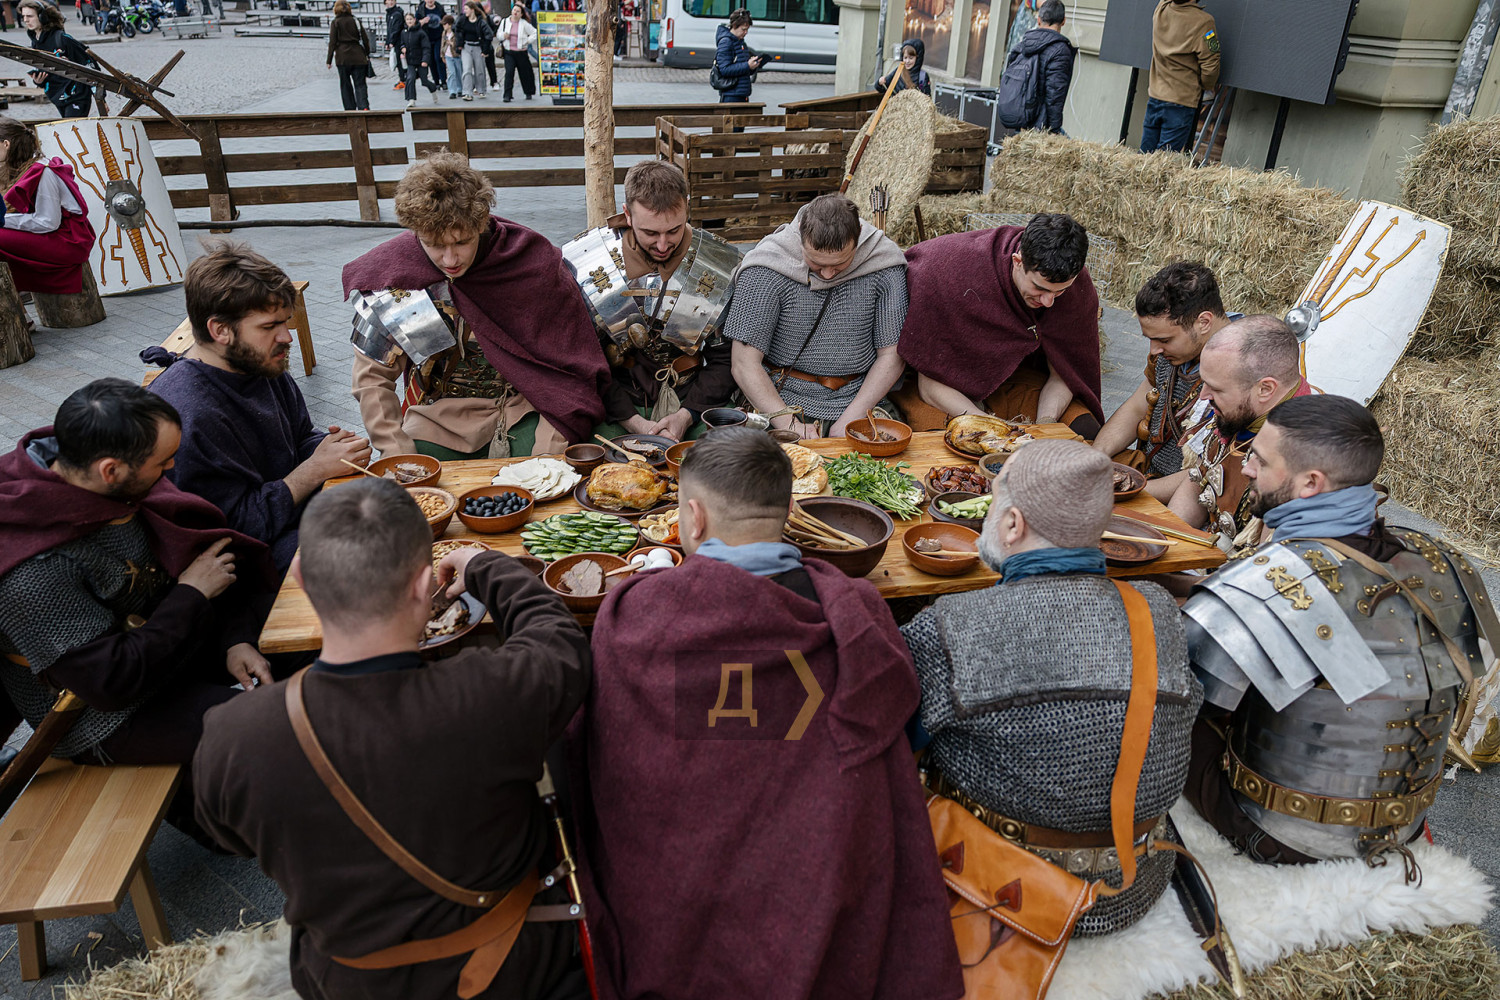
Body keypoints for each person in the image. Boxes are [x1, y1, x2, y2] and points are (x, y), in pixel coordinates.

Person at [573, 427, 965, 1000]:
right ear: (788, 511)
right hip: (822, 886)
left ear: (693, 518)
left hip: (682, 906)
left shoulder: (640, 615)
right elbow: (898, 731)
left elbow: (603, 744)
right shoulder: (857, 611)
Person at [193, 479, 591, 1000]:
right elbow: (559, 640)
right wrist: (484, 565)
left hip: (346, 983)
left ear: (303, 580)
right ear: (423, 585)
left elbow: (230, 837)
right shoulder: (492, 693)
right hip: (511, 973)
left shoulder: (230, 736)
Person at [1181, 395, 1496, 867]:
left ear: (1311, 482)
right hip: (1404, 824)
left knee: (1165, 714)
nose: (1246, 468)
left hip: (1283, 833)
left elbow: (1183, 705)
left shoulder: (1258, 582)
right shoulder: (1443, 561)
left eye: (1260, 460)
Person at [904, 439, 1200, 935]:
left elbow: (896, 746)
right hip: (1130, 876)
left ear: (1012, 524)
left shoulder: (952, 623)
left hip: (997, 879)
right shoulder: (1158, 610)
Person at [0, 379, 273, 778]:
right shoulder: (33, 570)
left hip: (173, 645)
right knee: (272, 727)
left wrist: (235, 639)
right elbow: (108, 684)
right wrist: (191, 595)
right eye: (162, 463)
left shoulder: (112, 484)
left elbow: (202, 562)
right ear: (110, 470)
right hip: (105, 715)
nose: (171, 470)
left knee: (316, 625)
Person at [346, 152, 609, 460]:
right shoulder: (394, 276)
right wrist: (398, 452)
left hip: (527, 409)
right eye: (434, 245)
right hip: (441, 419)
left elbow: (573, 368)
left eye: (462, 242)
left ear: (482, 222)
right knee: (419, 476)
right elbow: (372, 379)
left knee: (551, 471)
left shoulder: (532, 262)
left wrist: (548, 450)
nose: (449, 259)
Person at [145, 244, 371, 578]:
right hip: (245, 563)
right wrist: (313, 470)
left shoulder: (258, 364)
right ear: (220, 330)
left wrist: (332, 449)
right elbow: (234, 531)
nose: (287, 337)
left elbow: (298, 438)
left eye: (286, 322)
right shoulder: (189, 415)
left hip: (289, 522)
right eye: (269, 327)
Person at [563, 160, 740, 443]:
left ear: (686, 208)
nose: (662, 245)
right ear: (627, 214)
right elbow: (584, 359)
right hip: (614, 403)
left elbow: (724, 358)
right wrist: (630, 420)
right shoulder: (587, 261)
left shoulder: (717, 265)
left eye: (673, 230)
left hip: (694, 400)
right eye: (650, 233)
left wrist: (687, 416)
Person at [896, 212, 1103, 438]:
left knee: (1084, 432)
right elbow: (930, 386)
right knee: (952, 442)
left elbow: (1064, 373)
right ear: (1017, 262)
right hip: (942, 390)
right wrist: (996, 429)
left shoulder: (1075, 287)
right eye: (1039, 288)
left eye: (1059, 291)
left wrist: (1045, 425)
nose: (1048, 302)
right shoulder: (949, 271)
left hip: (1013, 379)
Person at [726, 194, 908, 439]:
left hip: (861, 400)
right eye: (815, 262)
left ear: (857, 239)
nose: (828, 274)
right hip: (780, 401)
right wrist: (789, 424)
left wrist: (851, 418)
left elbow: (892, 354)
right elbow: (744, 363)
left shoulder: (883, 263)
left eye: (841, 263)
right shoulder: (766, 266)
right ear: (801, 235)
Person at [1093, 261, 1238, 498]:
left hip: (1192, 496)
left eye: (1164, 340)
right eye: (1151, 339)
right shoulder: (1171, 353)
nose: (1154, 350)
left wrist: (1131, 491)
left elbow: (1213, 469)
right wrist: (1095, 457)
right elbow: (1137, 407)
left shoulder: (1245, 371)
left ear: (1203, 322)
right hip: (1149, 474)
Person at [1165, 314, 1310, 546]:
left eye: (1216, 389)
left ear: (1265, 389)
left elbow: (1266, 561)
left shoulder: (1299, 460)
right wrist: (1165, 542)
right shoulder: (1243, 410)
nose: (1203, 396)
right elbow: (1199, 481)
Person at [0, 116, 95, 300]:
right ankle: (19, 289)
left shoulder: (44, 172)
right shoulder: (26, 167)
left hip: (69, 241)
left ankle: (19, 292)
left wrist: (4, 221)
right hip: (56, 235)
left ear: (6, 144)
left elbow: (48, 222)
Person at [1141, 0, 1219, 154]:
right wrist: (1207, 87)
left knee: (1145, 157)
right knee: (1165, 160)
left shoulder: (1161, 9)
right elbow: (1211, 65)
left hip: (1155, 96)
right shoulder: (1203, 22)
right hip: (1181, 102)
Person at [1007, 0, 1075, 133]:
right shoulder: (1060, 50)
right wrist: (1054, 131)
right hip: (1041, 127)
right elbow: (1055, 96)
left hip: (1021, 121)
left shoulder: (1022, 45)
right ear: (1063, 21)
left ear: (1038, 20)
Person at [19, 0, 95, 119]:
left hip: (77, 96)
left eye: (30, 16)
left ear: (42, 17)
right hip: (57, 96)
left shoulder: (62, 38)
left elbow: (90, 64)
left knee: (72, 128)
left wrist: (100, 96)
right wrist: (39, 81)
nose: (25, 20)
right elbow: (47, 71)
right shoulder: (36, 42)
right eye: (23, 16)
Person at [326, 0, 372, 112]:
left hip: (342, 58)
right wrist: (367, 53)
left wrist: (329, 60)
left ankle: (350, 109)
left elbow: (332, 42)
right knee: (360, 84)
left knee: (345, 85)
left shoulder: (335, 22)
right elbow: (365, 39)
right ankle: (363, 106)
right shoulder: (355, 20)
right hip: (358, 56)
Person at [714, 8, 763, 104]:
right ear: (735, 26)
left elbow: (742, 68)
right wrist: (747, 65)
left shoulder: (741, 42)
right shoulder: (726, 42)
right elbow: (724, 69)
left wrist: (752, 66)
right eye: (743, 29)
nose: (746, 32)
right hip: (731, 94)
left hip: (742, 93)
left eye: (747, 29)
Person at [398, 9, 441, 107]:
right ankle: (411, 99)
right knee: (410, 78)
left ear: (414, 20)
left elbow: (426, 47)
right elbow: (402, 43)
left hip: (421, 60)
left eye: (411, 19)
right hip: (410, 61)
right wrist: (402, 48)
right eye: (407, 19)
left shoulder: (421, 33)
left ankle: (433, 89)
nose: (409, 21)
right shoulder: (404, 32)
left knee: (424, 81)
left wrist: (425, 60)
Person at [497, 1, 536, 101]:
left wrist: (527, 41)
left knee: (524, 73)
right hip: (509, 51)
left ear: (521, 14)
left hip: (521, 52)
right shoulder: (505, 21)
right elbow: (498, 34)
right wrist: (503, 36)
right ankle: (507, 95)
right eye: (514, 10)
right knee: (509, 73)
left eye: (518, 11)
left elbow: (534, 33)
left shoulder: (524, 23)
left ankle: (528, 92)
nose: (515, 13)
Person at [456, 1, 493, 99]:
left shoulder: (481, 21)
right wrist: (459, 44)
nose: (464, 11)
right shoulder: (462, 20)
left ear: (472, 10)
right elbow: (457, 30)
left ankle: (481, 90)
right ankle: (467, 92)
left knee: (479, 70)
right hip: (466, 46)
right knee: (467, 69)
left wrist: (485, 50)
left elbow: (489, 35)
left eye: (466, 9)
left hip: (478, 46)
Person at [417, 0, 447, 86]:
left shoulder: (439, 8)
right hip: (426, 38)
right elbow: (415, 24)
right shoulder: (421, 10)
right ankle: (436, 81)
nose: (430, 1)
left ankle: (443, 80)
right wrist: (422, 22)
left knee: (438, 58)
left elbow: (446, 21)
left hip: (438, 37)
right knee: (431, 60)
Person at [385, 0, 408, 89]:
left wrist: (391, 41)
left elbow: (396, 29)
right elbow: (389, 29)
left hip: (399, 41)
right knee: (398, 61)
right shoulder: (389, 14)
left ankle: (403, 80)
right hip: (395, 41)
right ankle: (402, 79)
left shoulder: (397, 14)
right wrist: (388, 41)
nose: (391, 2)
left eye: (392, 0)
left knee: (400, 61)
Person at [440, 13, 463, 98]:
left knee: (459, 72)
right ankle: (452, 91)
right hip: (448, 55)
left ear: (449, 25)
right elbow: (442, 45)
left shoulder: (455, 33)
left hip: (456, 55)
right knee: (451, 73)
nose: (443, 26)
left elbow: (458, 44)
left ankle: (460, 89)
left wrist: (452, 43)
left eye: (445, 24)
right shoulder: (444, 33)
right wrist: (442, 55)